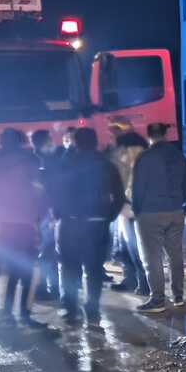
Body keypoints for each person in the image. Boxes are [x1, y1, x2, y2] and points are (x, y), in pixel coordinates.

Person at [50, 127, 124, 322]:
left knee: (69, 268)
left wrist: (58, 216)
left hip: (70, 223)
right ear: (95, 141)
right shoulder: (106, 165)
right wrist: (108, 216)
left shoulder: (66, 164)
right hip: (97, 224)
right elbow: (119, 196)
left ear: (75, 142)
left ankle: (70, 308)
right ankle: (92, 308)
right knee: (94, 269)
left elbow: (54, 193)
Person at [131, 123, 186, 313]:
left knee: (152, 258)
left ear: (148, 135)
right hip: (175, 210)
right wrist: (178, 200)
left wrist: (137, 209)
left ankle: (157, 299)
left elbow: (138, 188)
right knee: (175, 254)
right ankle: (178, 296)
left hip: (150, 212)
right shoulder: (178, 155)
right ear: (165, 135)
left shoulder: (145, 157)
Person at [0, 128, 43, 320]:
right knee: (27, 271)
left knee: (10, 270)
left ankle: (8, 315)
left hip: (4, 224)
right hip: (26, 222)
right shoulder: (29, 160)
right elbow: (39, 189)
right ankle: (25, 315)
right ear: (21, 140)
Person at [107, 119, 150, 295]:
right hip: (138, 205)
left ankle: (141, 283)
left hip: (127, 205)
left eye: (114, 129)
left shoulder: (123, 150)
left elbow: (121, 179)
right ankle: (136, 281)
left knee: (132, 246)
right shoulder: (144, 149)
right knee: (132, 246)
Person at [30, 129, 60, 301]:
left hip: (38, 213)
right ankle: (47, 288)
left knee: (46, 252)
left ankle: (46, 287)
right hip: (46, 213)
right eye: (49, 140)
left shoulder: (32, 160)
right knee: (48, 252)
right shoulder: (44, 161)